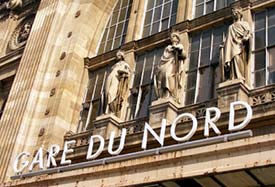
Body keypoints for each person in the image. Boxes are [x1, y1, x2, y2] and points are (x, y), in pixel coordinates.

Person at [154, 31, 186, 103]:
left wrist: (178, 51)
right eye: (171, 37)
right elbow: (164, 57)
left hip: (173, 63)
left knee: (168, 76)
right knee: (162, 77)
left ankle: (171, 94)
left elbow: (184, 55)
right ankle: (164, 95)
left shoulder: (180, 46)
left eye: (174, 36)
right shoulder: (168, 47)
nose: (172, 38)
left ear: (177, 39)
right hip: (166, 63)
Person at [222, 7, 251, 82]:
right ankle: (233, 77)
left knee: (238, 59)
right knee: (233, 59)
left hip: (241, 45)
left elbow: (248, 34)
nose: (235, 15)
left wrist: (246, 38)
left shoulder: (245, 24)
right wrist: (223, 45)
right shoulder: (231, 27)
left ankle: (239, 76)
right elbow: (228, 39)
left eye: (236, 13)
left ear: (240, 14)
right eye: (233, 13)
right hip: (232, 45)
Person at [105, 50, 130, 115]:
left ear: (122, 56)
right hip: (110, 78)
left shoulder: (125, 64)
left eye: (119, 55)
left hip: (116, 79)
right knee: (107, 94)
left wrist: (122, 71)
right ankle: (107, 111)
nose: (117, 56)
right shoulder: (114, 66)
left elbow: (127, 72)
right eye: (116, 55)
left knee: (111, 93)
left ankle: (113, 111)